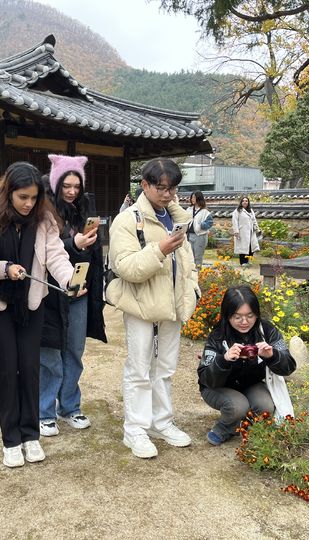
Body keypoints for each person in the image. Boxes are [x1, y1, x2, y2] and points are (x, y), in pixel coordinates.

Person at [0, 161, 82, 468]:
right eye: (22, 197)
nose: (28, 203)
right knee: (8, 370)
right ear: (9, 193)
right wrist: (4, 270)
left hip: (33, 305)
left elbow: (56, 255)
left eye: (34, 197)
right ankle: (11, 439)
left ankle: (31, 434)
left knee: (30, 368)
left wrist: (68, 280)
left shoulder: (45, 219)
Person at [107, 158, 200, 459]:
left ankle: (161, 421)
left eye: (172, 188)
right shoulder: (127, 221)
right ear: (144, 185)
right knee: (139, 368)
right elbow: (126, 268)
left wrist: (193, 288)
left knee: (166, 367)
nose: (167, 194)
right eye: (161, 187)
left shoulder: (178, 218)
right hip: (140, 304)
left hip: (172, 303)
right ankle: (134, 429)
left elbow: (188, 262)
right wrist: (160, 250)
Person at [38, 154, 107, 437]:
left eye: (76, 186)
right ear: (55, 184)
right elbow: (43, 250)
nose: (71, 191)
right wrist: (73, 243)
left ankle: (69, 406)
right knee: (50, 354)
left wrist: (86, 245)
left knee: (75, 351)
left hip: (79, 289)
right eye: (66, 185)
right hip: (50, 293)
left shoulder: (83, 208)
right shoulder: (43, 210)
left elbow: (92, 255)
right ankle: (44, 411)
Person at [198, 286, 296, 446]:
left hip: (250, 384)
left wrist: (272, 356)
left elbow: (289, 366)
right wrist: (224, 359)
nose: (244, 322)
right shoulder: (217, 335)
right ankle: (224, 428)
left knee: (265, 406)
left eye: (250, 316)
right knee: (238, 406)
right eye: (237, 317)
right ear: (227, 316)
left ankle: (247, 427)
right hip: (217, 387)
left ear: (257, 313)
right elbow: (206, 378)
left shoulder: (268, 331)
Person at [186, 190, 213, 267]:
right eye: (192, 197)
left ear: (199, 198)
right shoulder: (189, 209)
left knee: (198, 257)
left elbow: (209, 223)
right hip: (189, 235)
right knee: (189, 256)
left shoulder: (205, 212)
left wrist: (201, 225)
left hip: (200, 236)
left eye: (194, 197)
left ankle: (198, 274)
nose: (192, 199)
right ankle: (191, 274)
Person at [231, 196, 260, 265]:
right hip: (242, 232)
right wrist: (236, 231)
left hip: (251, 232)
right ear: (241, 202)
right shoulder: (237, 211)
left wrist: (257, 229)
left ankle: (248, 261)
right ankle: (243, 262)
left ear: (248, 202)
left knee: (251, 247)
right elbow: (234, 221)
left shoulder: (251, 211)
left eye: (246, 201)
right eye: (243, 201)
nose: (245, 202)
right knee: (243, 248)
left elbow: (254, 220)